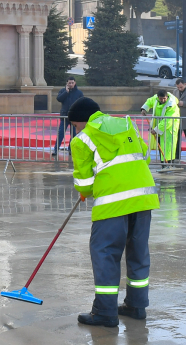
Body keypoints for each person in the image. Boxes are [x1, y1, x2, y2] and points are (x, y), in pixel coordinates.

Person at [67, 97, 160, 327]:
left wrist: (85, 191)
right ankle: (137, 306)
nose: (76, 129)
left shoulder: (82, 139)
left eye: (75, 125)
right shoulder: (126, 124)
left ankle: (105, 312)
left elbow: (84, 183)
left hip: (113, 202)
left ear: (80, 121)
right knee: (138, 252)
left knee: (105, 253)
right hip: (143, 197)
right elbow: (145, 155)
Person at [141, 89, 180, 163]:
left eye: (164, 98)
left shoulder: (172, 104)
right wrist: (144, 108)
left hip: (169, 128)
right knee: (161, 146)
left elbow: (168, 120)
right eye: (161, 98)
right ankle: (164, 164)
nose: (162, 100)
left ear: (167, 97)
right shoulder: (155, 99)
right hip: (159, 127)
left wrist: (156, 129)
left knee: (168, 147)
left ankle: (169, 164)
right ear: (158, 97)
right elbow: (149, 101)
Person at [53, 77, 84, 158]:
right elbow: (59, 99)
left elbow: (82, 103)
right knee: (61, 133)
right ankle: (55, 149)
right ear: (67, 83)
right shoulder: (63, 91)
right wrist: (66, 92)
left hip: (74, 117)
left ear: (75, 83)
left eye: (72, 83)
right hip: (64, 116)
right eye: (69, 83)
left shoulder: (79, 93)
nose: (70, 84)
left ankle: (70, 149)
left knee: (73, 134)